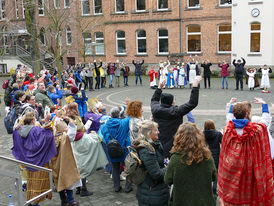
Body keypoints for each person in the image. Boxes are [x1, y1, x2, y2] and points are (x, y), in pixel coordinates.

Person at [218, 102, 274, 206]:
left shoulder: (228, 129)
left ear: (234, 115)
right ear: (246, 114)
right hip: (249, 165)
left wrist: (231, 105)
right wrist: (264, 105)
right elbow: (265, 121)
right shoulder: (256, 130)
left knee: (234, 186)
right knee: (250, 186)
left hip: (233, 166)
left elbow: (229, 118)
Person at [164, 122, 216, 206]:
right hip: (204, 201)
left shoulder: (175, 159)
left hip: (181, 201)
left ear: (179, 137)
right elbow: (214, 177)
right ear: (199, 137)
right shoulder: (207, 157)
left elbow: (167, 180)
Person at [12, 111, 57, 206]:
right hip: (39, 162)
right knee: (39, 183)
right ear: (32, 120)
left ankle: (32, 200)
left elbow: (16, 138)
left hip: (27, 162)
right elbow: (47, 136)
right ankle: (34, 203)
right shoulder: (36, 130)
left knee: (31, 182)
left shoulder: (18, 130)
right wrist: (48, 123)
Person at [151, 76, 201, 158]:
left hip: (158, 141)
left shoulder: (155, 109)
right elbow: (192, 103)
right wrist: (195, 85)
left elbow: (154, 100)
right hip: (173, 144)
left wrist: (159, 88)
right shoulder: (176, 111)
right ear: (172, 103)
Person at [132, 120, 169, 206]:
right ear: (149, 133)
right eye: (156, 130)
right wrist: (170, 167)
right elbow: (157, 174)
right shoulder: (146, 150)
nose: (158, 132)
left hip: (151, 190)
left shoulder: (151, 145)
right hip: (152, 193)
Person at [100, 106, 132, 193]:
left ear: (110, 115)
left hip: (112, 150)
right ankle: (128, 187)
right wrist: (126, 106)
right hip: (124, 150)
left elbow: (103, 135)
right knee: (128, 168)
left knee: (115, 168)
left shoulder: (104, 126)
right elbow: (130, 116)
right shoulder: (123, 123)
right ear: (120, 115)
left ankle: (116, 187)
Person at [52, 120, 81, 206]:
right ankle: (71, 201)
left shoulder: (52, 138)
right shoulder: (65, 137)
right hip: (65, 163)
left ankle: (63, 200)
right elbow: (72, 133)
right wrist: (71, 122)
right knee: (68, 182)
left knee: (59, 182)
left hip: (55, 164)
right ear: (63, 129)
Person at [203, 119, 222, 195]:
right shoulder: (218, 134)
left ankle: (206, 188)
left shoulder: (202, 134)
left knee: (206, 172)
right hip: (216, 155)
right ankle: (214, 187)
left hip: (206, 155)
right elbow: (223, 142)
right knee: (216, 171)